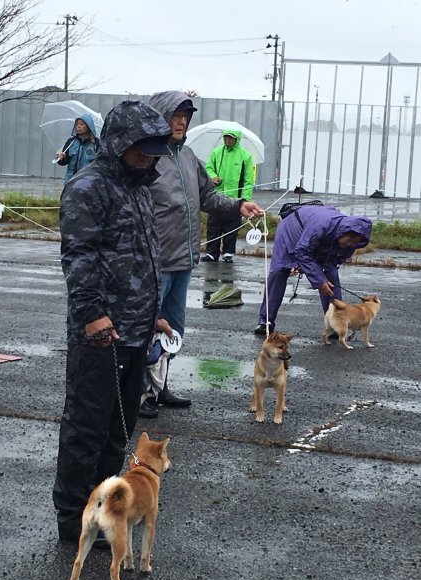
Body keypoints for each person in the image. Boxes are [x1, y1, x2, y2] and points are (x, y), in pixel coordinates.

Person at [53, 100, 173, 543]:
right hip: (99, 332)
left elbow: (141, 257)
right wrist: (93, 315)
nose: (149, 157)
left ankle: (104, 512)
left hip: (136, 329)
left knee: (115, 433)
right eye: (142, 149)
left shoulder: (139, 187)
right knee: (86, 427)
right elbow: (79, 257)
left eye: (155, 150)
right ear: (121, 142)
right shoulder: (89, 187)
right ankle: (73, 520)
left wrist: (151, 313)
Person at [139, 90, 264, 418]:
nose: (180, 122)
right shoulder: (147, 158)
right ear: (160, 118)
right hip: (155, 261)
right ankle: (141, 394)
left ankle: (159, 385)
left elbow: (208, 196)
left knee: (174, 328)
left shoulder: (188, 157)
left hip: (184, 260)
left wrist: (239, 205)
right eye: (175, 116)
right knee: (149, 327)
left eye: (185, 117)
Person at [254, 202, 372, 336]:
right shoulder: (321, 226)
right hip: (290, 231)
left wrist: (317, 273)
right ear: (345, 231)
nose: (350, 243)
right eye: (350, 238)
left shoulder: (351, 244)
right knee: (279, 272)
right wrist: (318, 279)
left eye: (355, 242)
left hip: (315, 241)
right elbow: (302, 251)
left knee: (331, 278)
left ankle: (336, 323)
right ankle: (265, 322)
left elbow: (333, 262)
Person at [203, 129, 255, 263]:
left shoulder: (245, 156)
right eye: (226, 137)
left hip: (235, 199)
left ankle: (228, 253)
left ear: (237, 139)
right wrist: (213, 177)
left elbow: (249, 180)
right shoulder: (216, 153)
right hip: (216, 197)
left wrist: (245, 200)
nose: (228, 140)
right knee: (213, 226)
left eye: (231, 138)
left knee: (231, 228)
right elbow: (208, 168)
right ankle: (211, 253)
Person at [57, 113, 99, 184]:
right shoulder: (71, 142)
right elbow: (63, 162)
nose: (78, 126)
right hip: (71, 181)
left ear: (89, 126)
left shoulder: (96, 143)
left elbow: (99, 163)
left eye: (82, 124)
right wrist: (62, 157)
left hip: (88, 182)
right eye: (77, 124)